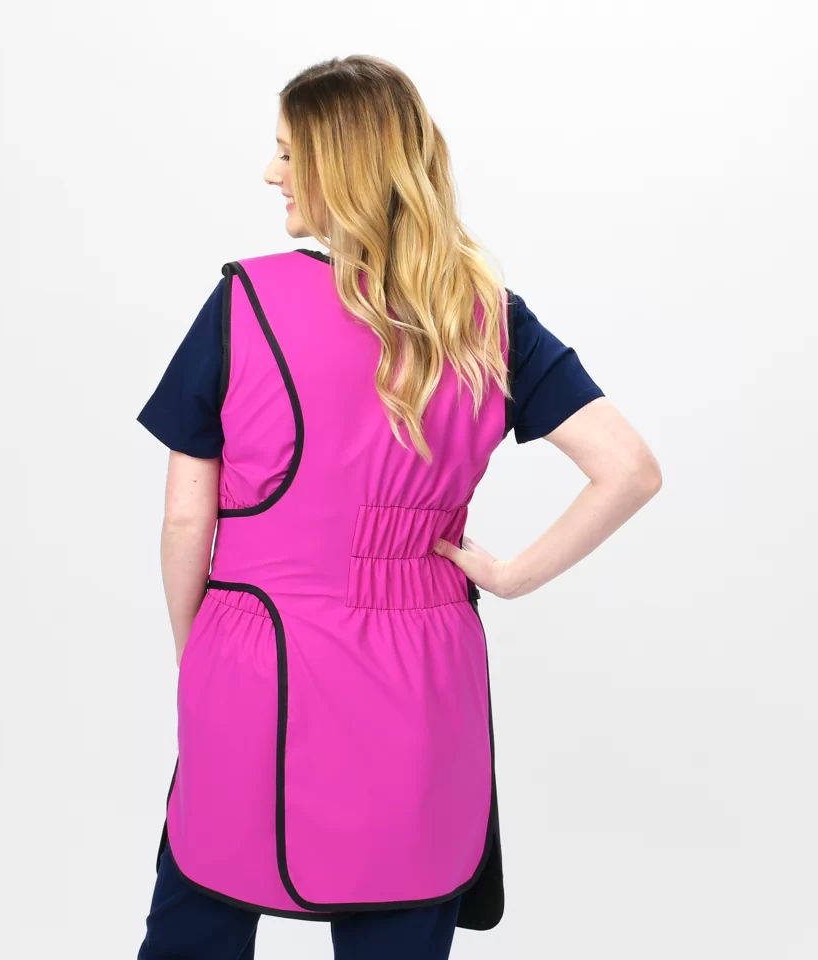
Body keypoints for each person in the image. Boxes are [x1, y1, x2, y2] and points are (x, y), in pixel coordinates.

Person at [134, 55, 662, 960]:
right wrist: (508, 577)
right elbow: (629, 469)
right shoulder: (485, 316)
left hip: (256, 658)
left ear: (341, 165)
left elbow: (188, 521)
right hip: (422, 680)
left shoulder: (243, 303)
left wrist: (203, 656)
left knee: (198, 925)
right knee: (399, 915)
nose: (270, 174)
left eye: (288, 154)